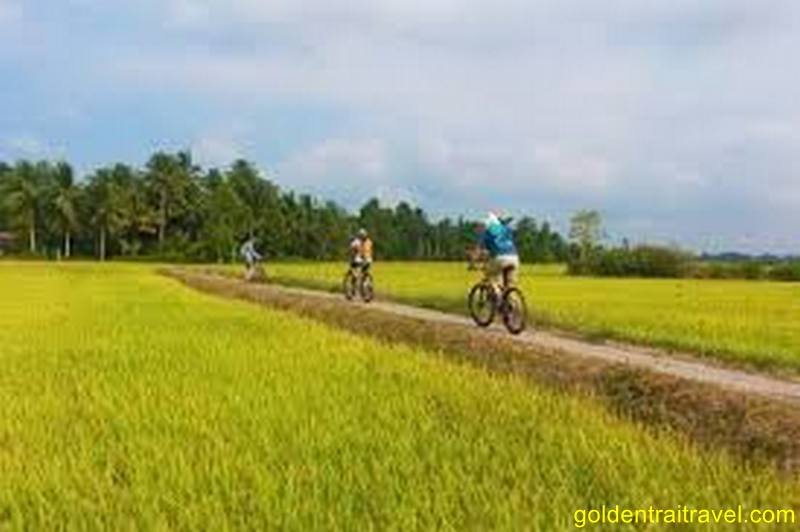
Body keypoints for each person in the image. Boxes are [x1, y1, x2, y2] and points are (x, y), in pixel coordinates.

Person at [478, 212, 520, 291]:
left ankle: (498, 298)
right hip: (514, 258)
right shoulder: (507, 229)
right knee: (510, 285)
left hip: (500, 258)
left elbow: (483, 251)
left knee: (491, 277)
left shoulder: (488, 232)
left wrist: (477, 263)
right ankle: (513, 301)